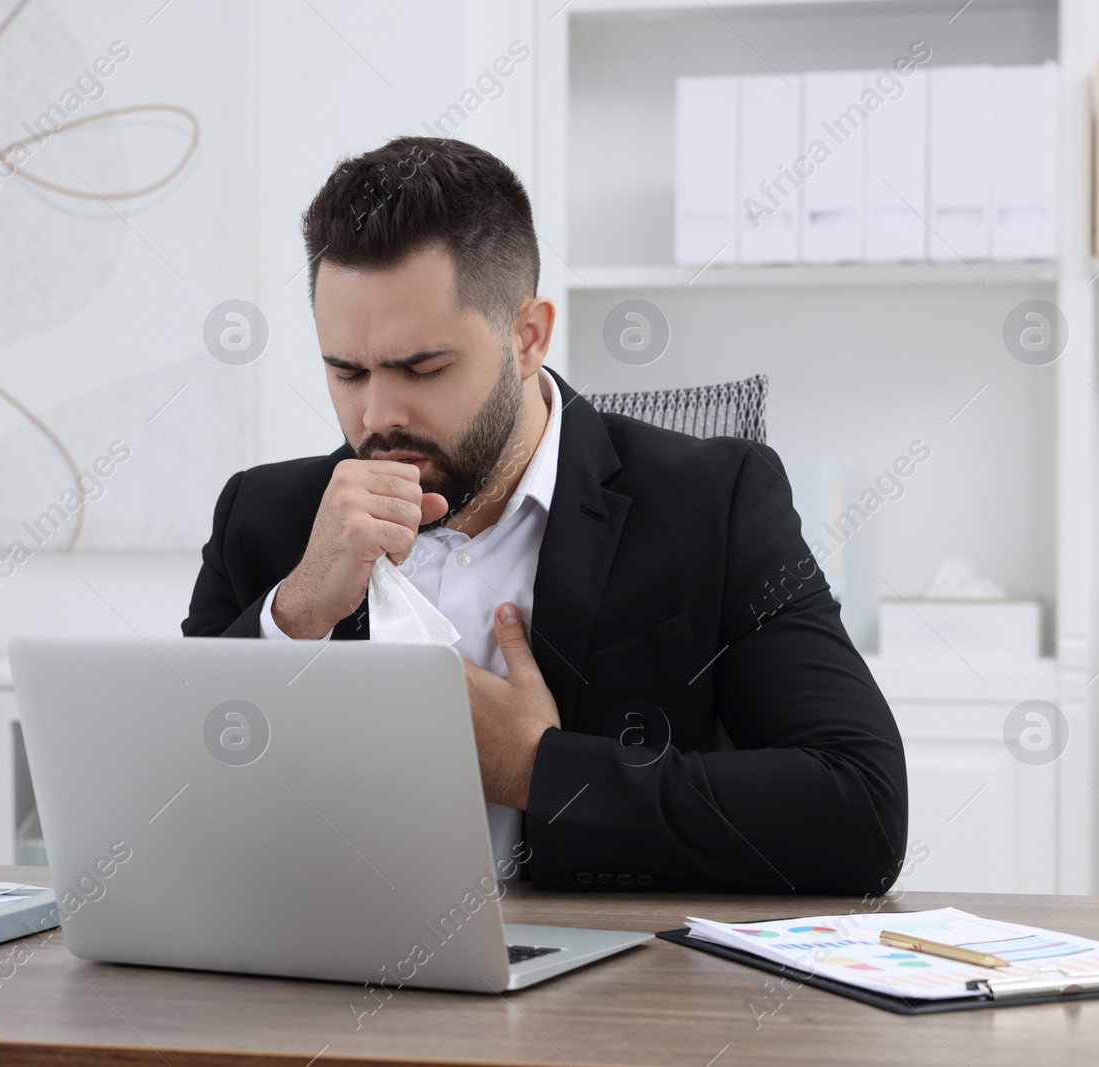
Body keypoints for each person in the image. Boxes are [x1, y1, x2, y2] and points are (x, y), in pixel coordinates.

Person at [182, 136, 908, 895]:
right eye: (347, 371)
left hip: (604, 999)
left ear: (527, 337)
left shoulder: (712, 503)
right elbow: (162, 817)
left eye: (422, 368)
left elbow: (861, 812)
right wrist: (293, 616)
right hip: (318, 987)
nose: (377, 413)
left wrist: (539, 768)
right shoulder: (262, 519)